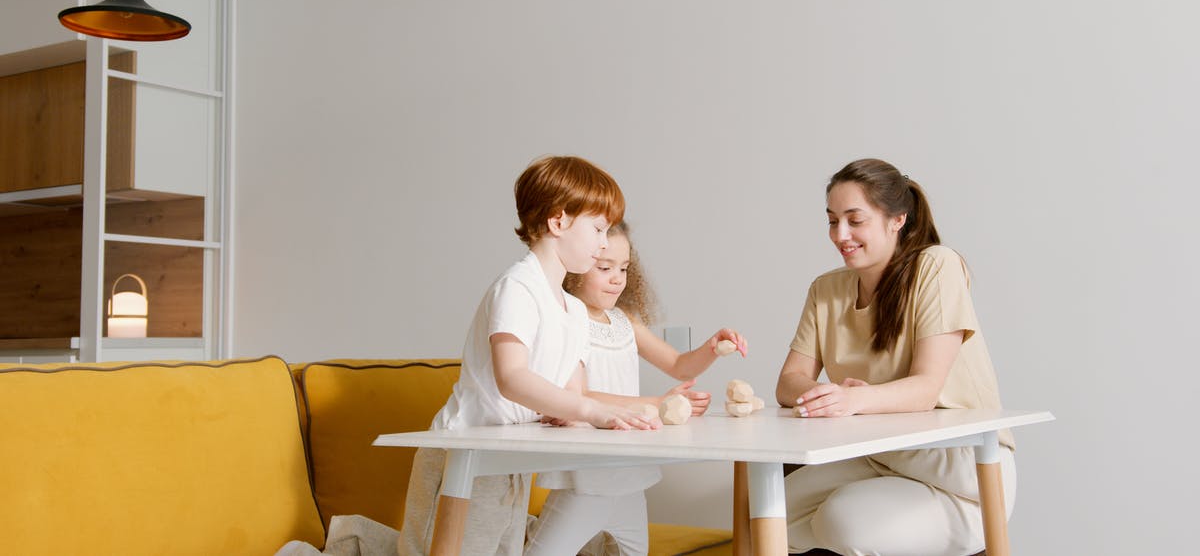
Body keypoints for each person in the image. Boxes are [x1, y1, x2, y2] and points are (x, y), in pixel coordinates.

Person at [397, 155, 659, 556]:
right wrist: (591, 412)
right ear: (558, 222)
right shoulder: (518, 288)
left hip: (510, 461)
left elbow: (572, 394)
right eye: (598, 228)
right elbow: (513, 377)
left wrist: (598, 412)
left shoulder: (571, 309)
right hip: (464, 457)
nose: (605, 242)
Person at [775, 158, 1015, 556]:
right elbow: (788, 382)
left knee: (841, 520)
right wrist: (827, 395)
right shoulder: (826, 289)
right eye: (833, 220)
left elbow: (924, 390)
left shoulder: (937, 266)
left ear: (896, 219)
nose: (841, 234)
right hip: (880, 454)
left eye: (855, 220)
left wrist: (853, 400)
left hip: (958, 467)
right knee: (767, 513)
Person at [525, 222, 748, 556]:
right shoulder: (568, 319)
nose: (617, 277)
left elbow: (678, 364)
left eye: (624, 268)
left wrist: (711, 348)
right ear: (576, 267)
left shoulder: (623, 320)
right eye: (604, 268)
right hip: (588, 477)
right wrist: (656, 403)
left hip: (629, 476)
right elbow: (579, 396)